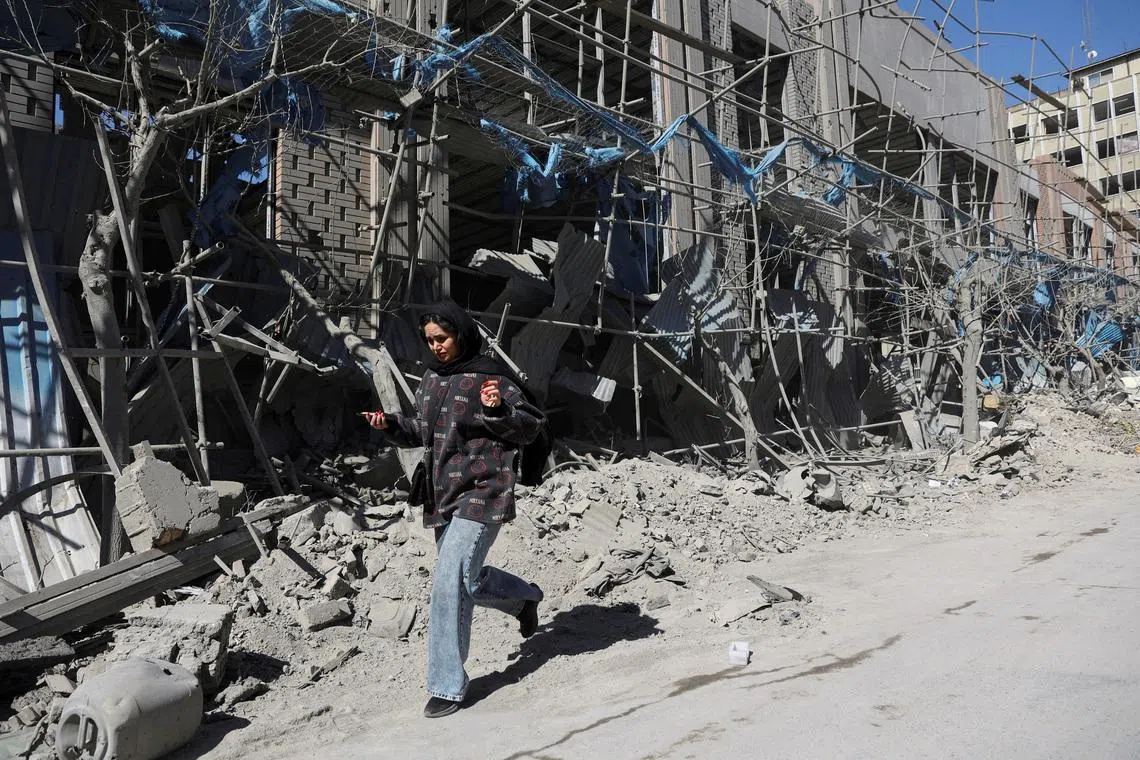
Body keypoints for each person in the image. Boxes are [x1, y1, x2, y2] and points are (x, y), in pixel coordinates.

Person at [362, 300, 546, 718]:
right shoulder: (431, 379)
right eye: (429, 340)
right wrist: (390, 425)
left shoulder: (491, 377)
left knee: (448, 580)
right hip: (442, 495)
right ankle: (523, 599)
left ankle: (447, 684)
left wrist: (497, 409)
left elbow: (530, 425)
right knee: (467, 579)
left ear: (460, 334)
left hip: (484, 490)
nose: (436, 346)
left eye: (441, 338)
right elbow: (421, 433)